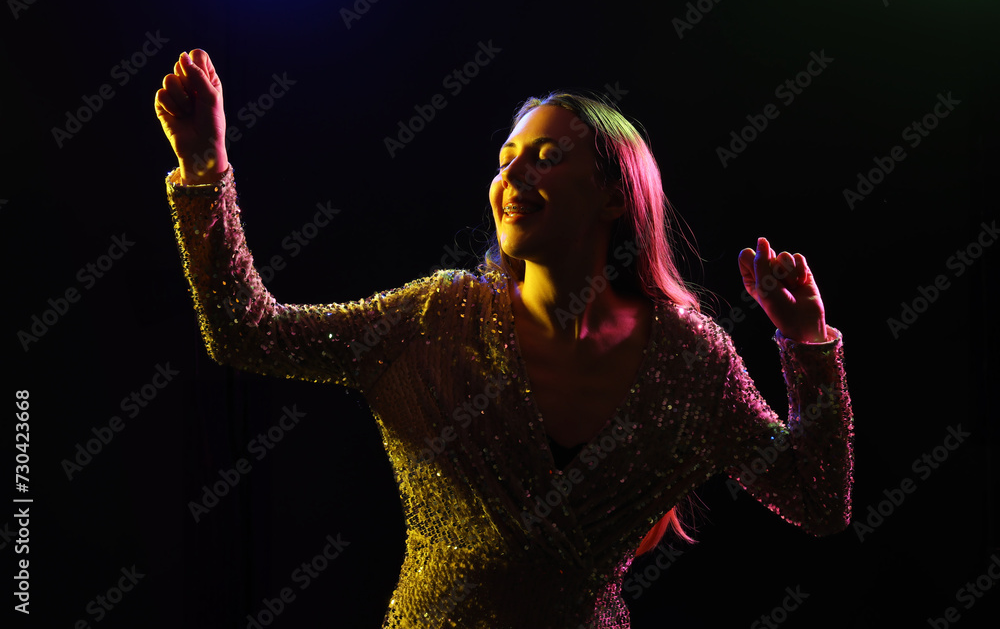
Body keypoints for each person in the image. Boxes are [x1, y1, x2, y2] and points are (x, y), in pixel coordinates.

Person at [155, 49, 853, 629]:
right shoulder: (437, 315)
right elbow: (246, 332)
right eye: (506, 158)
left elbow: (818, 502)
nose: (512, 177)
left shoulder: (690, 356)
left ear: (615, 196)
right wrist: (203, 168)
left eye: (545, 157)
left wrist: (809, 345)